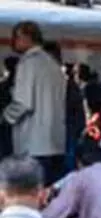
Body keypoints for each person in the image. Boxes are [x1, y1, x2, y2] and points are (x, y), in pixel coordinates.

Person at [3, 22, 66, 183]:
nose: (13, 42)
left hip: (32, 143)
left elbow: (23, 103)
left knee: (28, 192)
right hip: (55, 142)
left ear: (25, 37)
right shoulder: (53, 64)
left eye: (15, 37)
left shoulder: (28, 63)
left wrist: (5, 117)